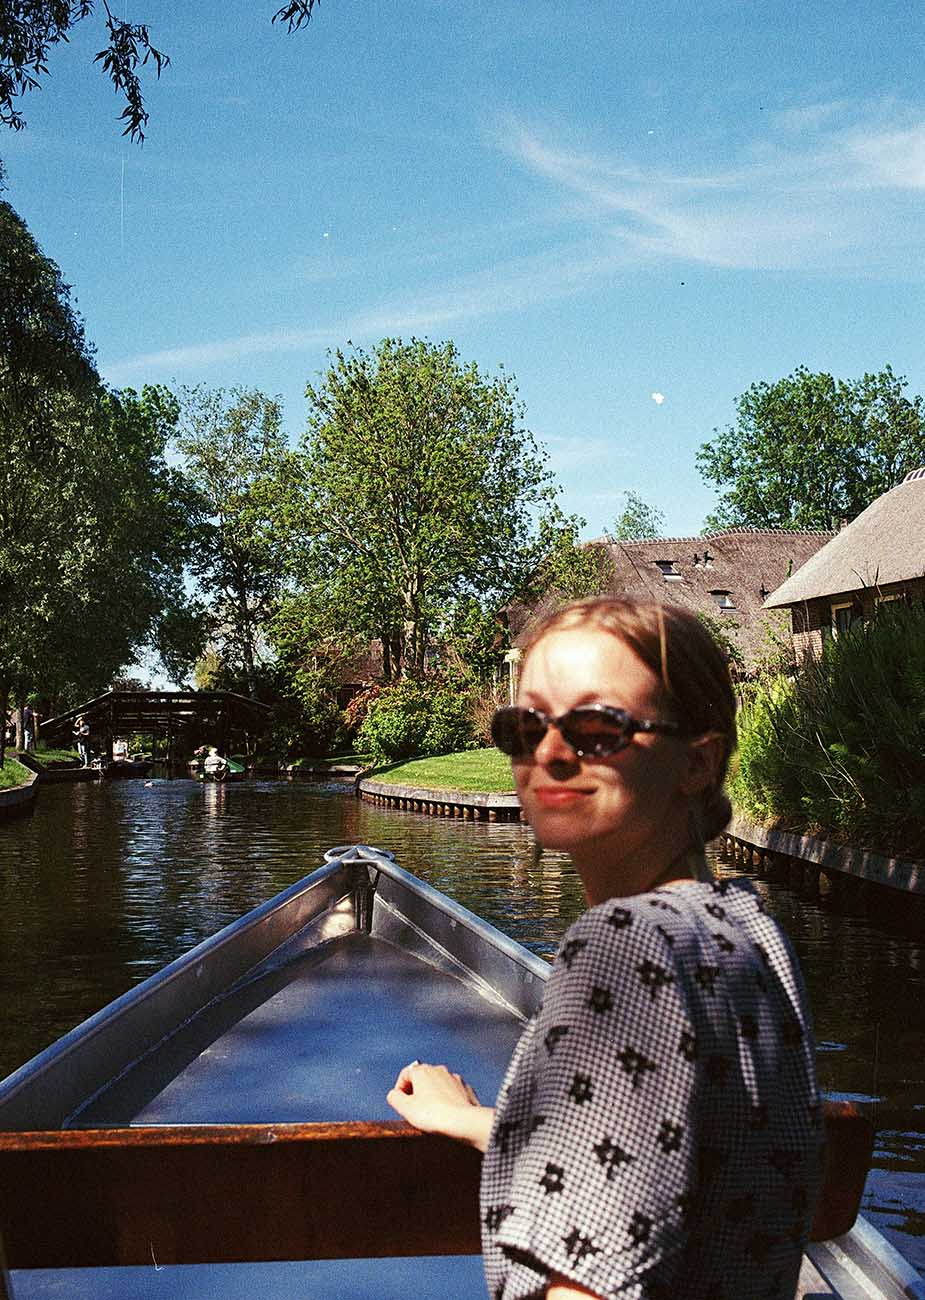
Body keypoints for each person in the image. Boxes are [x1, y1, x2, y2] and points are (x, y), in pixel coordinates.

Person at [387, 597, 823, 1300]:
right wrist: (478, 1123)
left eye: (596, 728)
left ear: (696, 762)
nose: (551, 753)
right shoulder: (748, 931)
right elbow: (675, 1141)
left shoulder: (620, 944)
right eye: (524, 727)